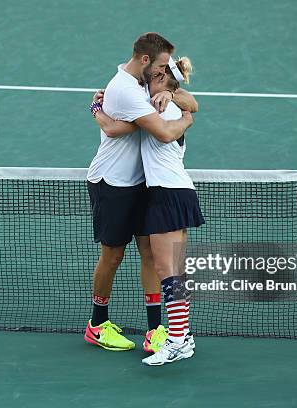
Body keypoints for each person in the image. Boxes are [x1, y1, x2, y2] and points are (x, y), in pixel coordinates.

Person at [84, 32, 198, 352]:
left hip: (143, 183)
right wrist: (98, 109)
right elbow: (115, 129)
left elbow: (192, 101)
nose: (165, 71)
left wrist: (171, 99)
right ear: (146, 61)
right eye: (161, 65)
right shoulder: (123, 87)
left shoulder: (145, 84)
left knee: (149, 254)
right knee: (113, 255)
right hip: (113, 183)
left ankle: (155, 329)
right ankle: (97, 323)